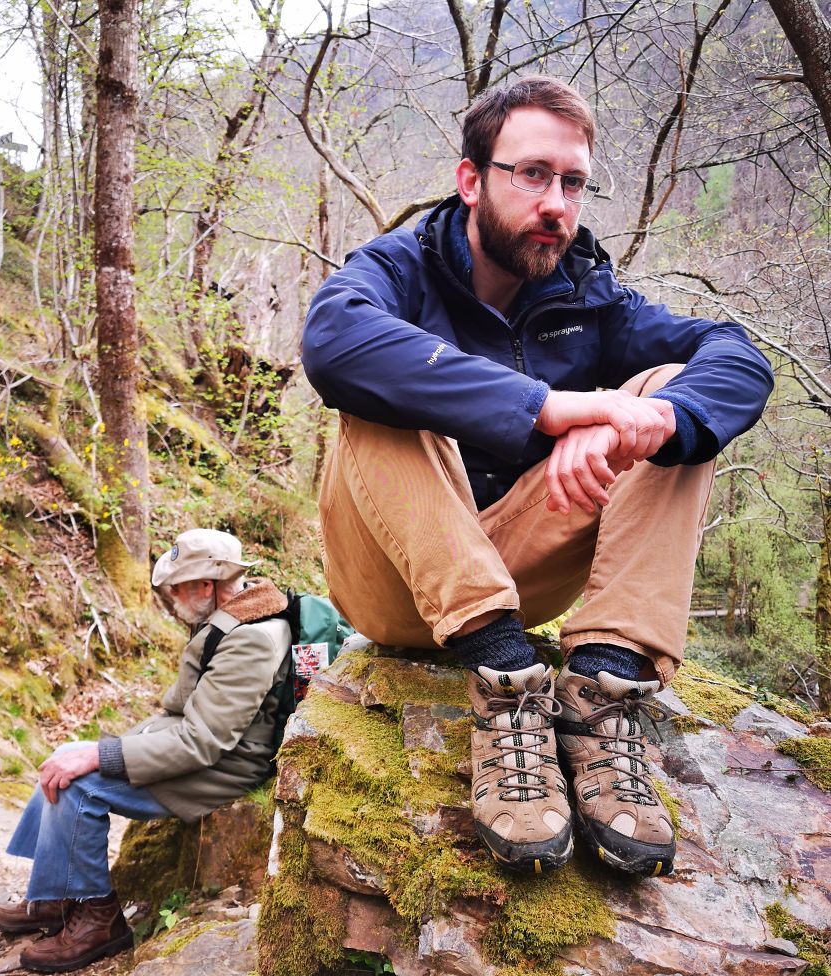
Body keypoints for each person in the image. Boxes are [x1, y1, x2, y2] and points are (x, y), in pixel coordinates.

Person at [301, 76, 773, 879]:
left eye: (573, 182)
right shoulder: (404, 267)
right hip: (392, 573)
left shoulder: (592, 300)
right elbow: (332, 337)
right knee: (379, 386)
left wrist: (652, 422)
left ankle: (603, 693)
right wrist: (549, 408)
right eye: (531, 174)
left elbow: (738, 354)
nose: (556, 201)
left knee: (669, 400)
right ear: (471, 179)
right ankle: (506, 684)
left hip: (522, 564)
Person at [0, 529, 292, 973]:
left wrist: (103, 756)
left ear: (206, 585)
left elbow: (203, 742)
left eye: (178, 587)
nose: (172, 597)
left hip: (221, 767)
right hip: (199, 748)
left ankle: (98, 918)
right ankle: (56, 896)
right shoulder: (234, 620)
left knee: (81, 785)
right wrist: (92, 749)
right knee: (66, 754)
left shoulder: (251, 639)